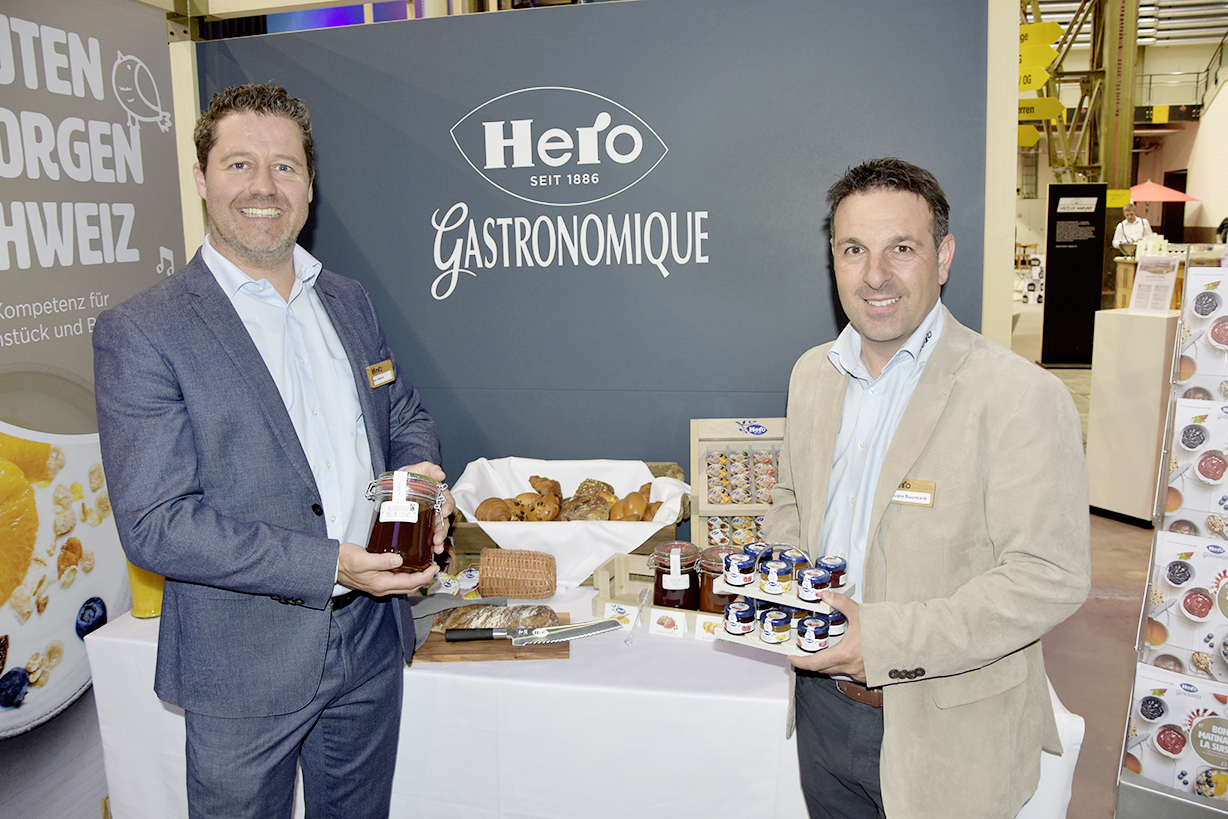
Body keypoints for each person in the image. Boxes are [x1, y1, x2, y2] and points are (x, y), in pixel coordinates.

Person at [93, 83, 453, 819]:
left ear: (310, 186)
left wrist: (419, 482)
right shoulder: (143, 331)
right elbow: (157, 523)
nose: (263, 187)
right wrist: (330, 565)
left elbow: (401, 411)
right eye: (239, 165)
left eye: (285, 167)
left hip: (371, 638)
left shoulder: (347, 299)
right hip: (242, 664)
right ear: (201, 178)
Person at [764, 158, 1090, 819]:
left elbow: (1048, 576)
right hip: (822, 714)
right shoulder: (811, 376)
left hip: (951, 732)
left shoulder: (1020, 395)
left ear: (943, 257)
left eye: (901, 248)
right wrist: (774, 577)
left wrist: (882, 639)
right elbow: (792, 504)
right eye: (854, 249)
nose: (875, 275)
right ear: (833, 259)